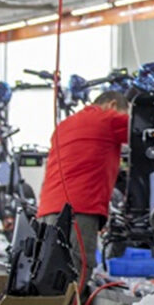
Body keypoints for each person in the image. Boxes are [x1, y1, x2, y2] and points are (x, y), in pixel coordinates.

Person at [37, 91, 130, 275]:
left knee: (46, 270)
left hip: (48, 209)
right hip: (80, 208)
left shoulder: (64, 125)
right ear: (112, 105)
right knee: (77, 268)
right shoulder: (107, 119)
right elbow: (139, 129)